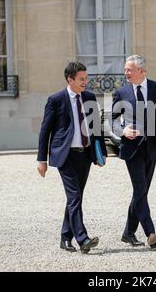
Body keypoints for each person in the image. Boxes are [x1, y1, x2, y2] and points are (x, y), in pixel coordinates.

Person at [37, 61, 107, 254]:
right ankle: (82, 238)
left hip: (85, 155)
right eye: (82, 79)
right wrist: (41, 159)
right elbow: (45, 131)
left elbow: (96, 129)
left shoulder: (90, 97)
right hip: (65, 155)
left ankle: (65, 237)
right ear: (70, 79)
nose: (86, 82)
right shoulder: (56, 99)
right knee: (74, 196)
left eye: (86, 78)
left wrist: (101, 154)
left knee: (75, 198)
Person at [111, 55, 156, 249]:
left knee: (142, 191)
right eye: (125, 70)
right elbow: (112, 120)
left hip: (153, 146)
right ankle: (150, 232)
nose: (126, 73)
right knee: (140, 189)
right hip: (131, 149)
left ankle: (128, 233)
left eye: (129, 70)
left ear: (142, 71)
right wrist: (122, 131)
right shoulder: (121, 92)